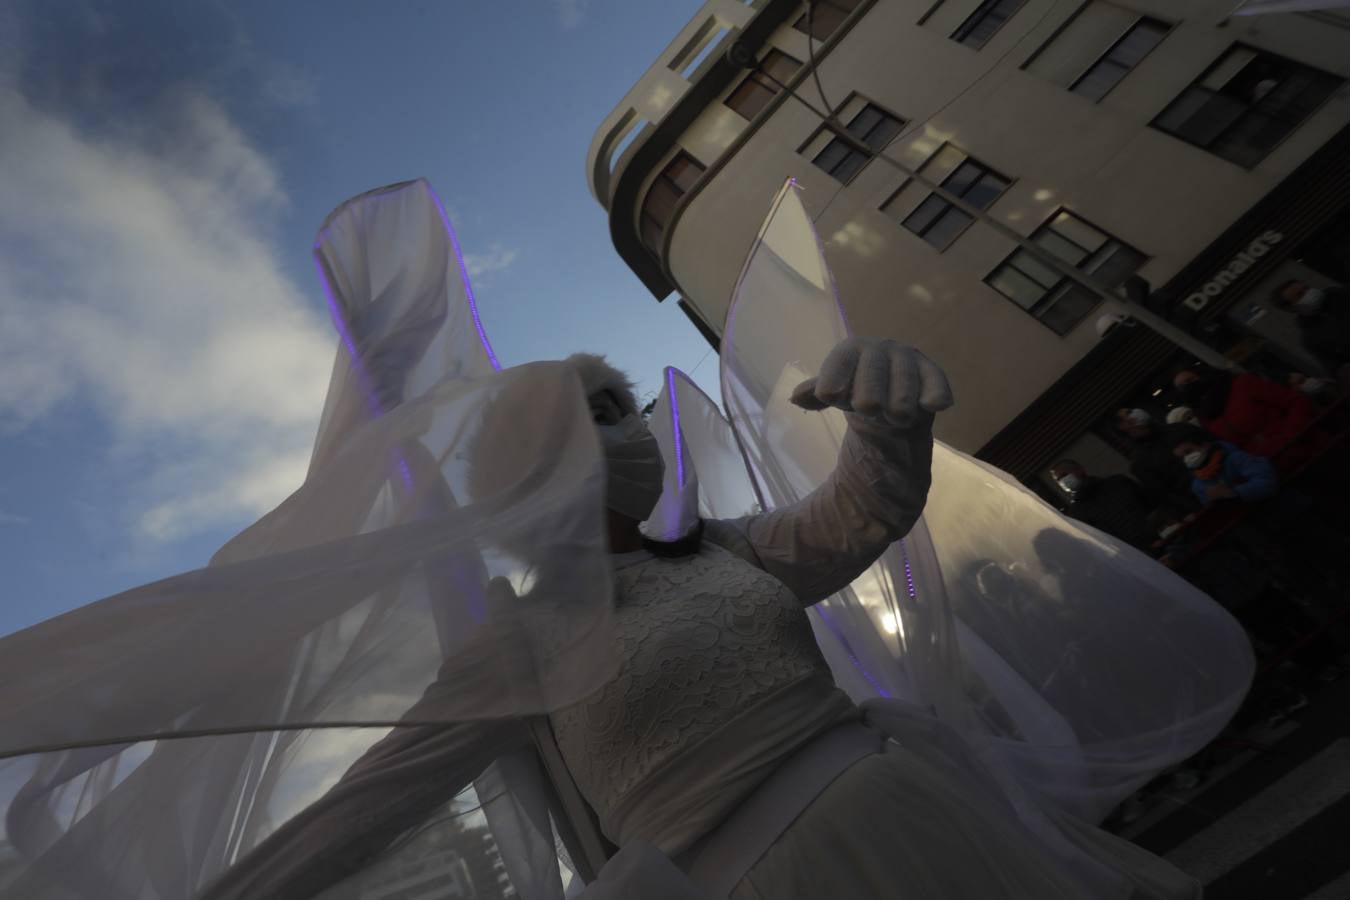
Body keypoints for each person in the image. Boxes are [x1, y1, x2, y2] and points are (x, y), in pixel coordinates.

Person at [1172, 366, 1318, 464]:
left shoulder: (1242, 384)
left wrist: (1292, 434)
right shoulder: (1205, 416)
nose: (1189, 387)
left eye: (1189, 380)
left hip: (1306, 445)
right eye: (1182, 387)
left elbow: (1294, 402)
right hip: (1275, 464)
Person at [1048, 459, 1156, 550]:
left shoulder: (1117, 483)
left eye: (1065, 475)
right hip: (1137, 553)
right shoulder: (1077, 513)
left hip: (1158, 535)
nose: (1063, 481)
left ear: (1080, 470)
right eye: (1059, 480)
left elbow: (1150, 502)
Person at [1168, 424, 1278, 508]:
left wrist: (1234, 493)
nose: (1186, 459)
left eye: (1188, 452)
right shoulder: (1198, 484)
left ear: (1204, 445)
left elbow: (1267, 481)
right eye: (1182, 458)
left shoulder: (1235, 458)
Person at [1113, 408, 1197, 508]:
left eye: (1131, 410)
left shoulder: (1179, 428)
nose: (1136, 412)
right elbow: (1168, 497)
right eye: (1128, 413)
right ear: (1123, 426)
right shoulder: (1141, 464)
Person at [1275, 279, 1350, 390]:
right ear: (1290, 308)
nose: (1309, 293)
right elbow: (1334, 366)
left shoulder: (1342, 294)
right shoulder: (1310, 338)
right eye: (1300, 294)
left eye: (1306, 288)